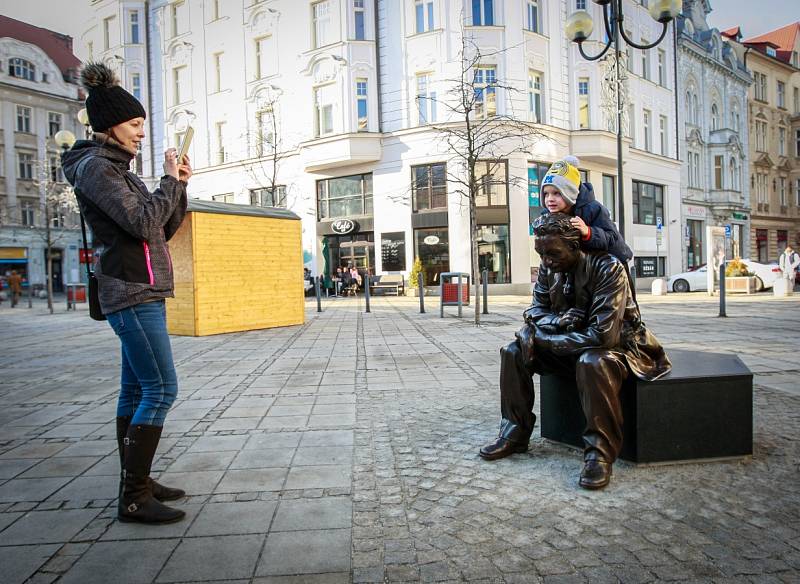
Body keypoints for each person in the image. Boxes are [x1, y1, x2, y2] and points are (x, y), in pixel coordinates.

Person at [62, 62, 190, 525]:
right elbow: (140, 223)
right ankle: (134, 496)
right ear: (111, 124)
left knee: (135, 389)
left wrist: (181, 186)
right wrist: (169, 181)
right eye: (135, 125)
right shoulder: (97, 168)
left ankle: (137, 480)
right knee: (161, 388)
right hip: (130, 288)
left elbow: (164, 228)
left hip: (145, 284)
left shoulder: (118, 169)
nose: (141, 133)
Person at [479, 213, 671, 490]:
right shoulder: (549, 269)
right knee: (512, 351)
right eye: (541, 253)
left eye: (553, 253)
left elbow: (604, 336)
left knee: (593, 361)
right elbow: (534, 311)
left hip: (622, 349)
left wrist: (541, 339)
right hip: (570, 342)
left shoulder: (609, 269)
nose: (545, 261)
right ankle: (514, 433)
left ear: (574, 246)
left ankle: (599, 455)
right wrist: (554, 322)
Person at [539, 155, 633, 277]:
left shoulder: (593, 209)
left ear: (570, 192)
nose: (550, 199)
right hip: (579, 268)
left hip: (610, 266)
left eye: (557, 193)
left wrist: (589, 232)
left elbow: (611, 237)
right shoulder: (547, 216)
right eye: (546, 194)